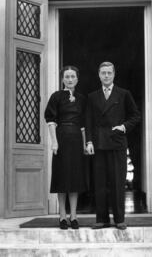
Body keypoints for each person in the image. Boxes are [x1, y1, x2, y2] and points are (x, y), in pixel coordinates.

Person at [86, 61, 140, 230]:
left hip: (117, 142)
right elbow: (88, 121)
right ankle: (101, 219)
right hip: (99, 143)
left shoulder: (124, 94)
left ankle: (119, 219)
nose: (106, 76)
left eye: (109, 73)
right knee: (100, 182)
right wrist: (88, 141)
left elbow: (135, 116)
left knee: (117, 182)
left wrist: (124, 127)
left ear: (114, 74)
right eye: (103, 73)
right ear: (99, 75)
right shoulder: (92, 96)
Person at [44, 66, 87, 230]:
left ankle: (74, 216)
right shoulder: (56, 97)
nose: (70, 79)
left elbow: (83, 125)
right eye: (67, 77)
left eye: (73, 77)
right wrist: (54, 142)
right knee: (62, 178)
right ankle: (62, 216)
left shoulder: (82, 99)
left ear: (77, 79)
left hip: (76, 139)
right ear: (62, 79)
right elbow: (51, 121)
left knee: (74, 178)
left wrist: (84, 144)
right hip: (61, 139)